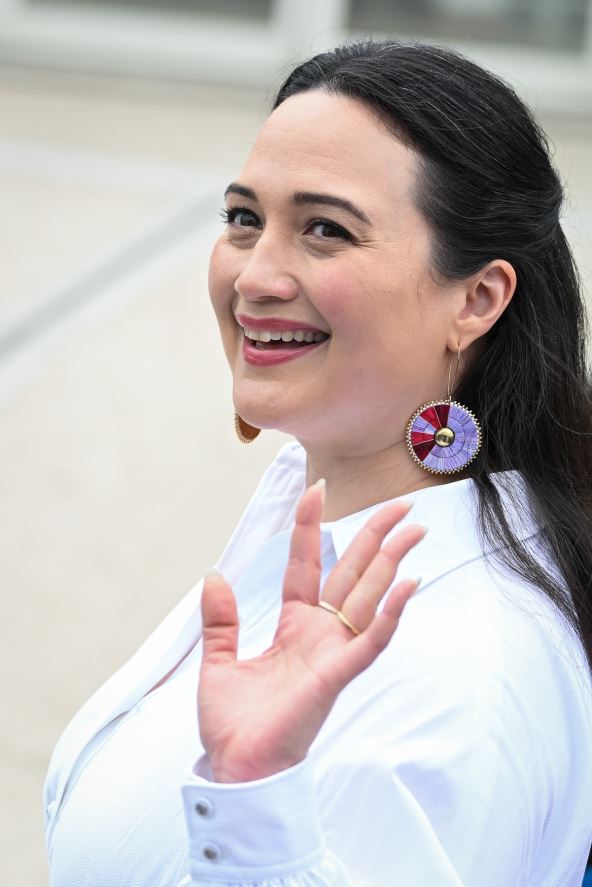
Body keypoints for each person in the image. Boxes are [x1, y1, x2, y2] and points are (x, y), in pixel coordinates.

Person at [43, 40, 592, 886]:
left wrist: (253, 796)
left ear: (477, 299)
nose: (255, 276)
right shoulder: (317, 515)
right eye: (243, 218)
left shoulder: (464, 663)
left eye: (326, 230)